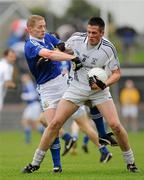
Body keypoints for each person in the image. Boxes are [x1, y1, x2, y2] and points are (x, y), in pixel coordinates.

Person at [23, 17, 138, 173]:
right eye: (89, 31)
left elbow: (117, 73)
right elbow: (62, 50)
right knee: (54, 124)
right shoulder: (77, 38)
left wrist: (104, 84)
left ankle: (130, 162)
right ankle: (35, 163)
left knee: (116, 126)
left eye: (94, 33)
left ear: (102, 33)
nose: (90, 35)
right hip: (75, 89)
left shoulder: (108, 48)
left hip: (99, 90)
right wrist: (54, 55)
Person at [22, 14, 83, 173]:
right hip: (47, 90)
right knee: (53, 126)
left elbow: (63, 47)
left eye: (44, 26)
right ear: (29, 29)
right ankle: (56, 166)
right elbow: (50, 55)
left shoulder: (48, 37)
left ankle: (105, 144)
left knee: (83, 117)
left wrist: (78, 48)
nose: (43, 29)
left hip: (63, 84)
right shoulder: (30, 45)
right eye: (39, 27)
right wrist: (72, 58)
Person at [20, 73, 42, 143]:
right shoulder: (27, 85)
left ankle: (46, 135)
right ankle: (28, 140)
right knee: (26, 121)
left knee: (34, 123)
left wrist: (24, 96)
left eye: (24, 77)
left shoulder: (30, 85)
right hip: (31, 106)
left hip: (34, 105)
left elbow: (34, 95)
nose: (22, 79)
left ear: (28, 78)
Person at [0, 49, 16, 119]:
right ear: (5, 56)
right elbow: (8, 84)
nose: (13, 58)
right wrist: (15, 86)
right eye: (11, 56)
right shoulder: (7, 67)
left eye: (14, 56)